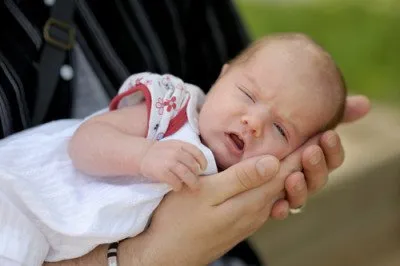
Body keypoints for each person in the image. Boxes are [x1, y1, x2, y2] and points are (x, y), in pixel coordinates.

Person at [1, 32, 348, 264]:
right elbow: (84, 143)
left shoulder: (235, 181)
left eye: (280, 129)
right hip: (22, 199)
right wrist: (143, 155)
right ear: (221, 77)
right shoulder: (170, 111)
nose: (253, 122)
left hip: (60, 240)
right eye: (248, 95)